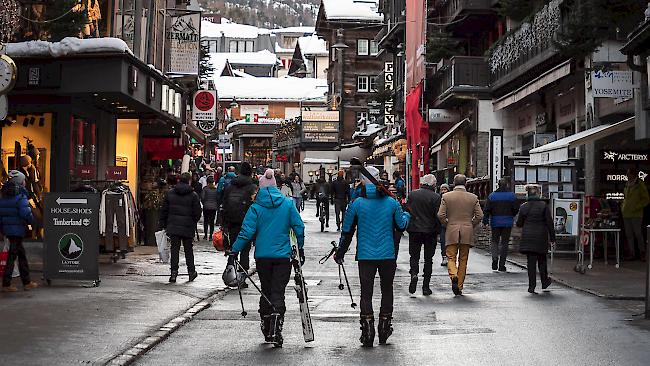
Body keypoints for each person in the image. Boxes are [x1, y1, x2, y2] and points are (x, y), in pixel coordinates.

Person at [335, 166, 410, 347]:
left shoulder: (357, 204)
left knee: (366, 292)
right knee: (387, 289)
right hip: (387, 254)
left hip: (366, 255)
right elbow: (401, 226)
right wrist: (405, 213)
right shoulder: (391, 203)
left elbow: (347, 231)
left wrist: (340, 253)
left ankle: (367, 330)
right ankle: (384, 327)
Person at [230, 169, 305, 345]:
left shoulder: (255, 207)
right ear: (276, 187)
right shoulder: (287, 204)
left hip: (263, 256)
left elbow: (246, 232)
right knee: (278, 291)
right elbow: (299, 227)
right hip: (283, 256)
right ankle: (277, 325)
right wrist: (299, 248)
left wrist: (234, 251)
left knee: (266, 289)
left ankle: (266, 322)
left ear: (261, 188)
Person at [437, 174, 483, 296]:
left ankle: (454, 276)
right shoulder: (473, 197)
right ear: (466, 184)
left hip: (452, 229)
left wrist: (448, 224)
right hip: (467, 230)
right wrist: (470, 224)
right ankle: (460, 286)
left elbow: (440, 215)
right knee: (463, 259)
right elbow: (479, 215)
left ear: (453, 183)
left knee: (451, 257)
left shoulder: (446, 197)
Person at [159, 172, 202, 283]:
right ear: (189, 181)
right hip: (188, 226)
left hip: (173, 226)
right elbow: (197, 212)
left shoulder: (170, 193)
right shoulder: (193, 195)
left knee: (174, 249)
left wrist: (163, 224)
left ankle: (173, 273)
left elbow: (164, 210)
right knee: (188, 250)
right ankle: (191, 272)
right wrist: (193, 221)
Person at [0, 171, 38, 292]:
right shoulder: (21, 197)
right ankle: (7, 283)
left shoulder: (4, 196)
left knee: (21, 255)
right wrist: (32, 222)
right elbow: (26, 214)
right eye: (23, 180)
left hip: (8, 229)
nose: (25, 182)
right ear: (20, 182)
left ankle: (26, 282)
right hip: (17, 230)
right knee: (13, 256)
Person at [406, 174, 441, 296]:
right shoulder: (436, 197)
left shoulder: (412, 194)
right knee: (428, 259)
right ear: (433, 184)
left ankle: (414, 273)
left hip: (414, 229)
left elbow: (407, 210)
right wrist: (438, 230)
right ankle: (426, 286)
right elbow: (438, 216)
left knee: (414, 256)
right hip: (430, 231)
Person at [516, 185, 554, 294]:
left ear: (528, 194)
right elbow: (549, 223)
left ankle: (531, 286)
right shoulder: (543, 206)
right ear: (538, 193)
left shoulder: (523, 206)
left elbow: (519, 223)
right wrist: (552, 238)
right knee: (542, 260)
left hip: (528, 237)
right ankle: (544, 281)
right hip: (541, 237)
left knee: (531, 263)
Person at [222, 162, 258, 276]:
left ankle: (230, 272)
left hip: (232, 221)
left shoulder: (230, 186)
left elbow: (224, 204)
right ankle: (242, 275)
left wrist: (224, 223)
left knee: (233, 248)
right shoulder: (252, 187)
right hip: (247, 222)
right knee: (245, 250)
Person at [482, 178, 519, 272]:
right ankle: (502, 264)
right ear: (507, 184)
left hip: (495, 222)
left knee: (494, 241)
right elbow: (516, 209)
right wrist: (511, 215)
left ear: (498, 185)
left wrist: (485, 221)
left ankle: (494, 259)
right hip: (507, 222)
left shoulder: (492, 196)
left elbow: (486, 210)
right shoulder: (512, 196)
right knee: (504, 243)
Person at [622, 168, 649, 261]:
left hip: (636, 214)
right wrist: (623, 206)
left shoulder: (640, 185)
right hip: (626, 213)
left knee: (638, 234)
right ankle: (632, 253)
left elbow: (646, 199)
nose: (627, 175)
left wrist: (637, 207)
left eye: (628, 174)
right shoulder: (626, 184)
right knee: (629, 234)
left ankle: (642, 253)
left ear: (633, 174)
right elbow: (626, 197)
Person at [201, 176, 219, 240]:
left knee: (205, 221)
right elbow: (218, 198)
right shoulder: (216, 190)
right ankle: (211, 235)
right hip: (213, 207)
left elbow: (202, 197)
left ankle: (205, 235)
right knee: (212, 222)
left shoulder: (205, 189)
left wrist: (204, 203)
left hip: (206, 207)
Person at [438, 184, 450, 266]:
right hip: (442, 224)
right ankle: (444, 256)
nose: (443, 191)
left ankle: (451, 256)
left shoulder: (451, 198)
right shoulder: (438, 199)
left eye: (445, 189)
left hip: (451, 222)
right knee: (443, 241)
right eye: (442, 189)